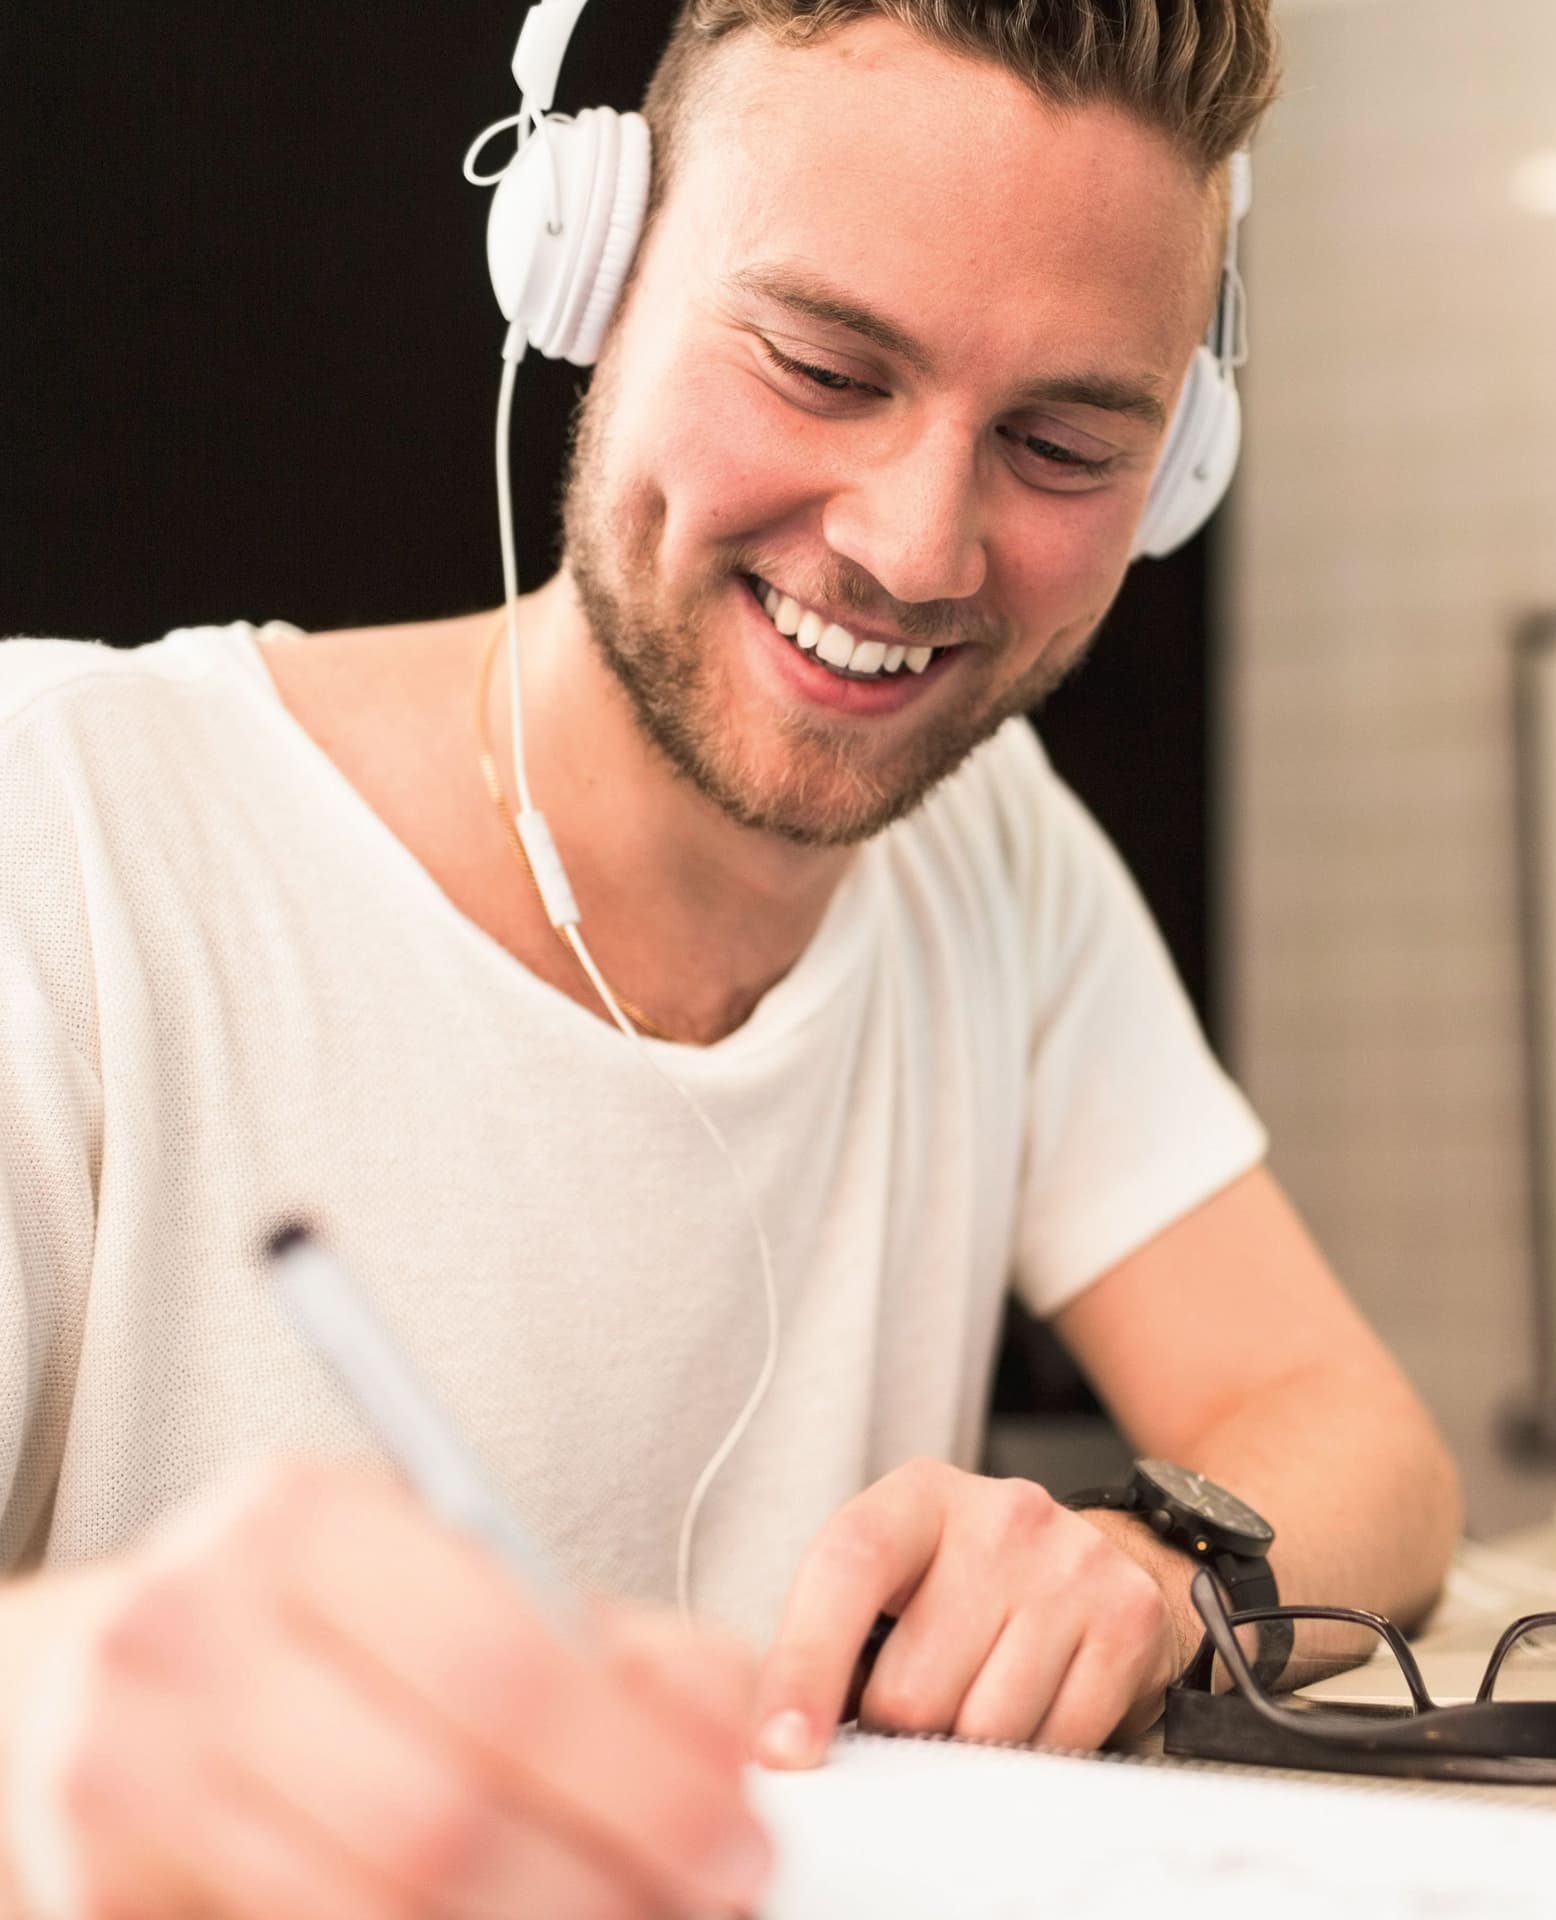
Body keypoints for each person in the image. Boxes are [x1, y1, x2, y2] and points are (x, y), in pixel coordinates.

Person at [0, 0, 1462, 1912]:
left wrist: (1153, 1570)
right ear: (584, 264)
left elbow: (1365, 1444)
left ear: (1181, 467)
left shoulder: (994, 858)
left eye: (1061, 443)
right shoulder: (64, 824)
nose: (919, 548)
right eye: (823, 366)